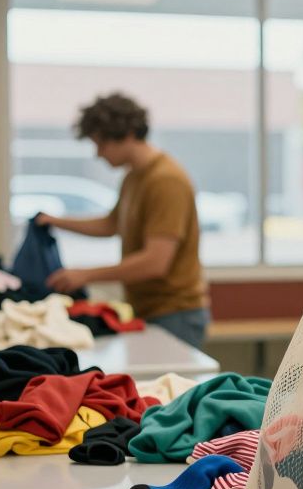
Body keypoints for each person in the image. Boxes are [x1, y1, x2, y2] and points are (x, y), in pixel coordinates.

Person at [38, 93, 210, 348]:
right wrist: (55, 221)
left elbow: (155, 262)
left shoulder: (165, 181)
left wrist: (85, 275)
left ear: (127, 134)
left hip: (175, 314)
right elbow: (112, 224)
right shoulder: (134, 177)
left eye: (101, 144)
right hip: (150, 309)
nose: (97, 154)